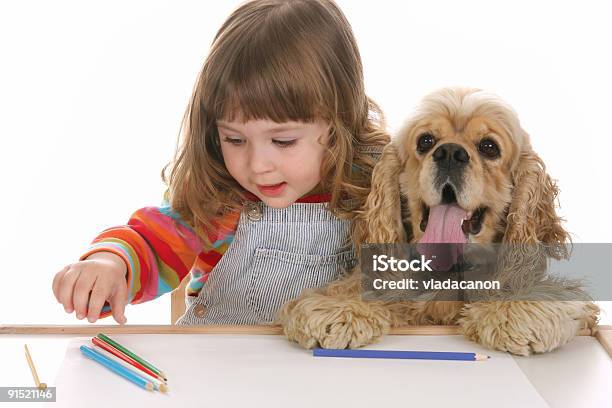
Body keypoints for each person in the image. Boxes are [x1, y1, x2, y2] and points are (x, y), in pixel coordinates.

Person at [51, 0, 389, 325]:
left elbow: (418, 283)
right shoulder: (220, 196)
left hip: (335, 372)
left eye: (283, 141)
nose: (257, 165)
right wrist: (110, 264)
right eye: (235, 139)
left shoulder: (379, 185)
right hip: (219, 367)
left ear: (338, 121)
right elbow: (154, 244)